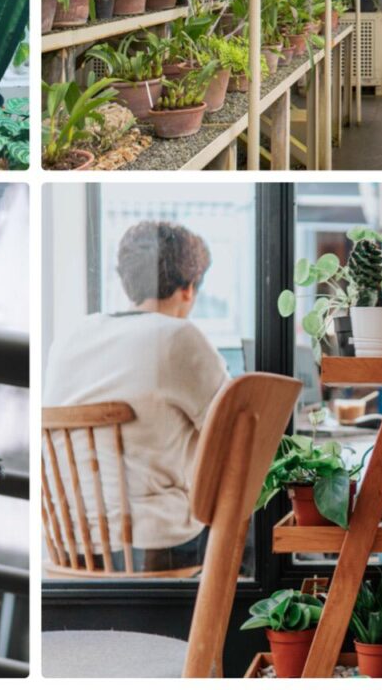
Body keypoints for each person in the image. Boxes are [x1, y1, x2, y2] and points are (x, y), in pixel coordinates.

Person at [43, 220, 229, 572]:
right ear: (189, 288)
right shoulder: (177, 337)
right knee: (253, 525)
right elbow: (234, 431)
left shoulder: (71, 336)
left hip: (70, 549)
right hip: (154, 548)